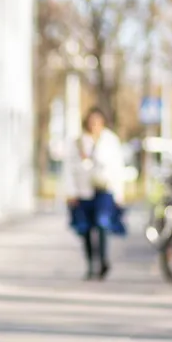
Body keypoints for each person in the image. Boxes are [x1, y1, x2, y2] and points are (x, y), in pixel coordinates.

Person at [63, 107, 127, 279]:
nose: (94, 125)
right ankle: (91, 264)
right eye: (91, 121)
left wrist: (119, 194)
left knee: (102, 224)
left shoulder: (110, 140)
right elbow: (68, 168)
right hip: (82, 190)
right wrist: (71, 192)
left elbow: (117, 168)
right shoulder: (77, 142)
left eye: (97, 121)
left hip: (104, 189)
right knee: (85, 229)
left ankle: (103, 260)